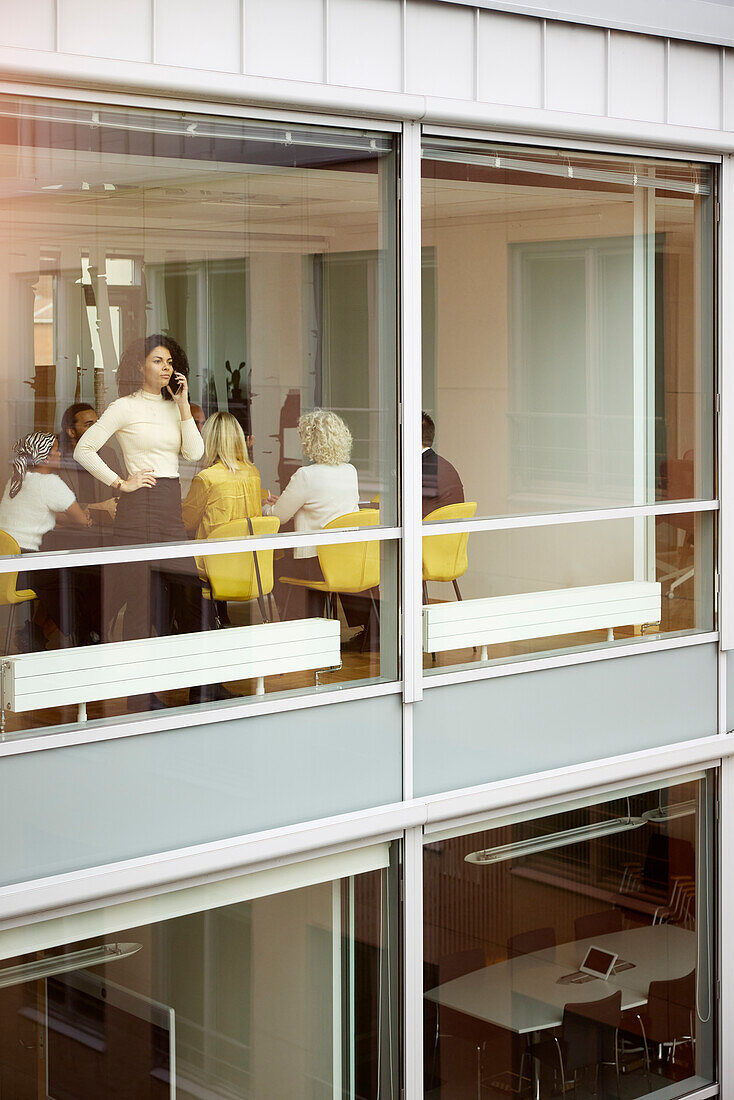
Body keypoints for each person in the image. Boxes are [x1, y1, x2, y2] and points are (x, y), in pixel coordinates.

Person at [73, 334, 205, 655]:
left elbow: (195, 452)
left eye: (170, 362)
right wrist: (120, 483)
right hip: (139, 504)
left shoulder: (174, 407)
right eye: (157, 361)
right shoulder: (124, 407)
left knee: (189, 594)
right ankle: (140, 694)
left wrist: (184, 405)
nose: (165, 367)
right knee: (141, 601)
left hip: (170, 503)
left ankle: (205, 687)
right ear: (139, 366)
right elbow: (84, 449)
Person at [0, 432, 92, 647]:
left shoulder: (16, 480)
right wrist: (85, 519)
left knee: (62, 576)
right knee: (80, 578)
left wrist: (65, 519)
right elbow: (79, 519)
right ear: (45, 457)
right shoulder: (50, 483)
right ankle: (84, 636)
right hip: (24, 569)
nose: (60, 453)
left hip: (8, 565)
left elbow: (39, 512)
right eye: (56, 450)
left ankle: (35, 634)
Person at [266, 409, 359, 619]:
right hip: (345, 557)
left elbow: (278, 517)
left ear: (311, 441)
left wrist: (266, 506)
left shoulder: (306, 475)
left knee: (275, 564)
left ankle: (297, 625)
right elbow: (324, 505)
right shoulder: (350, 471)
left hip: (315, 563)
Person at [182, 411, 262, 540]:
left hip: (215, 556)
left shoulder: (207, 478)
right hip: (248, 556)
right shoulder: (252, 472)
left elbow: (187, 522)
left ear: (208, 440)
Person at [422, 411, 464, 518]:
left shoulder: (425, 470)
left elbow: (410, 515)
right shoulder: (442, 465)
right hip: (447, 532)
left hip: (428, 532)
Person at [179, 402, 206, 497]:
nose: (199, 429)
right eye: (195, 423)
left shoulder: (205, 452)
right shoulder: (169, 452)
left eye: (202, 423)